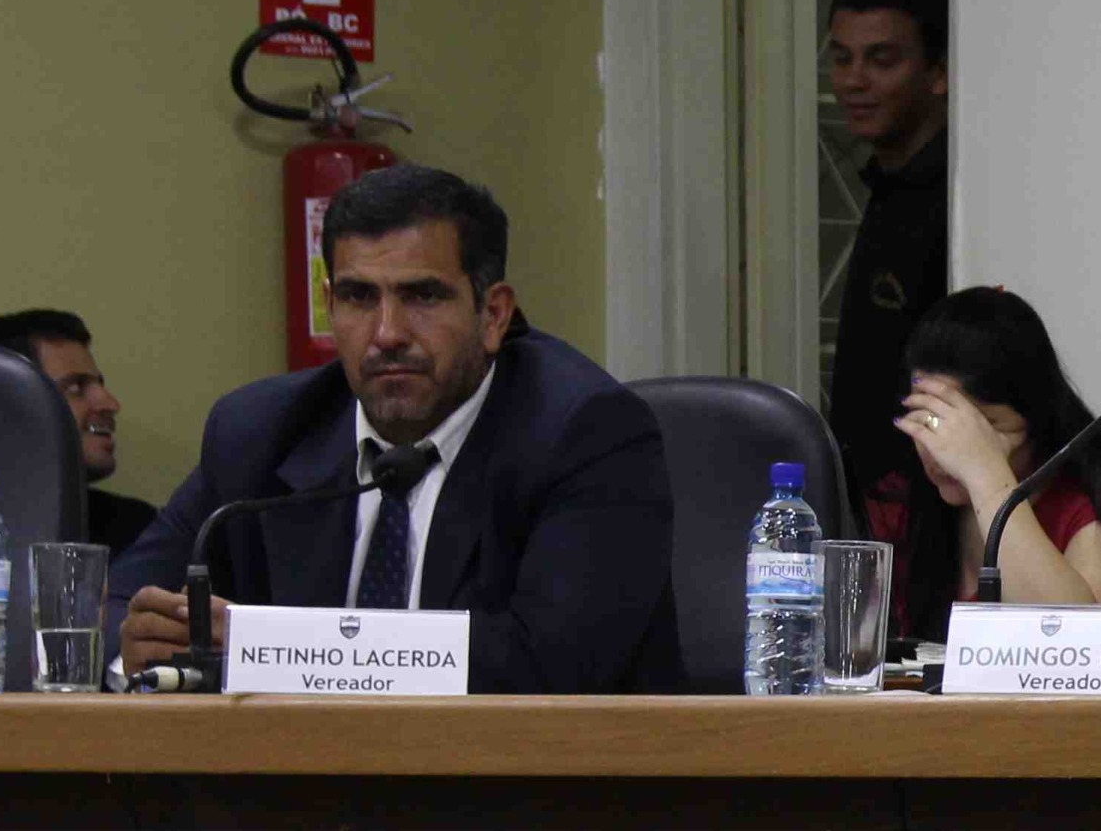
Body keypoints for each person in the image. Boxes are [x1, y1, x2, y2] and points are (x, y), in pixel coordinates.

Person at [111, 165, 683, 691]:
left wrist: (268, 648)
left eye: (422, 296)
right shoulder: (260, 431)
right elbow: (118, 604)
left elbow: (548, 668)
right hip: (299, 769)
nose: (387, 334)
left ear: (493, 315)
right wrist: (140, 651)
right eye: (359, 297)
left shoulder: (586, 434)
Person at [864, 285, 1101, 647]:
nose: (948, 452)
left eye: (983, 428)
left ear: (1036, 419)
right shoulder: (898, 502)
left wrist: (986, 475)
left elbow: (1076, 648)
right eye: (930, 421)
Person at [824, 0, 952, 501]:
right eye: (841, 58)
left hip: (932, 498)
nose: (853, 81)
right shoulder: (887, 185)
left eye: (881, 60)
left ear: (938, 71)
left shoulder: (958, 199)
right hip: (866, 501)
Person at [0, 307, 156, 551]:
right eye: (76, 387)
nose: (110, 404)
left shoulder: (137, 530)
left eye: (99, 385)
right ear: (9, 405)